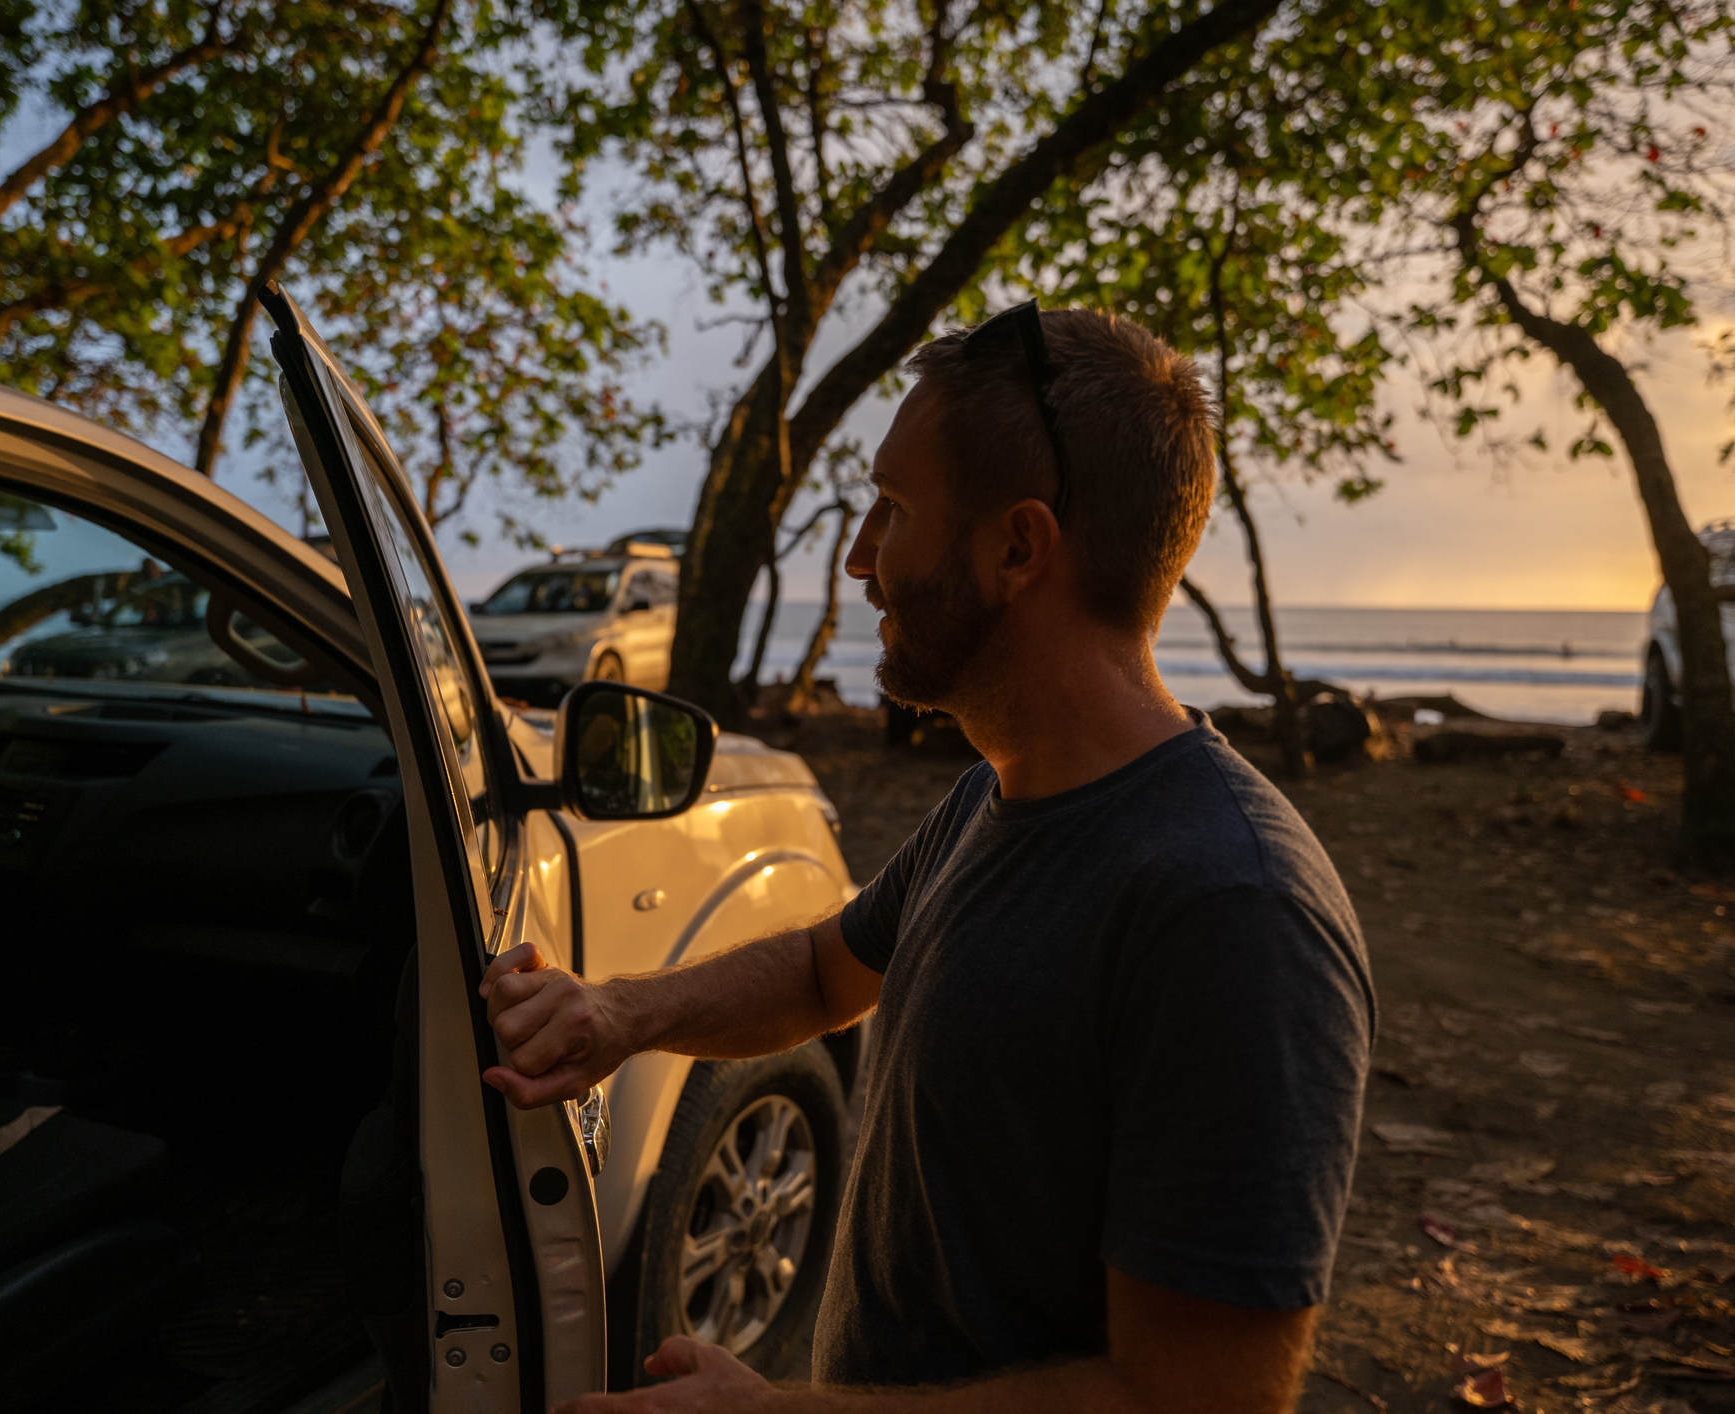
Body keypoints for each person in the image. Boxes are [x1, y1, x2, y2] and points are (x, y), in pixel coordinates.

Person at [480, 304, 1374, 1414]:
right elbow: (822, 971)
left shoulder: (1231, 910)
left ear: (1018, 547)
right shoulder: (993, 799)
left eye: (893, 509)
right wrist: (620, 1017)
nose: (857, 556)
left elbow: (1197, 1398)